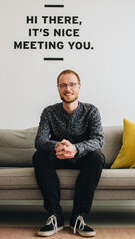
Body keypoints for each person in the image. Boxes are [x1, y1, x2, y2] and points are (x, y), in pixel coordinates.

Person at [33, 69, 105, 237]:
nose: (68, 89)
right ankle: (55, 216)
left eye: (72, 84)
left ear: (79, 87)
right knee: (39, 155)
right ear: (58, 88)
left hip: (81, 158)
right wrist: (58, 145)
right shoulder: (49, 112)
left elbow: (98, 140)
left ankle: (78, 216)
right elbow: (39, 140)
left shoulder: (91, 111)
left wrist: (76, 148)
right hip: (57, 156)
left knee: (97, 157)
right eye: (63, 85)